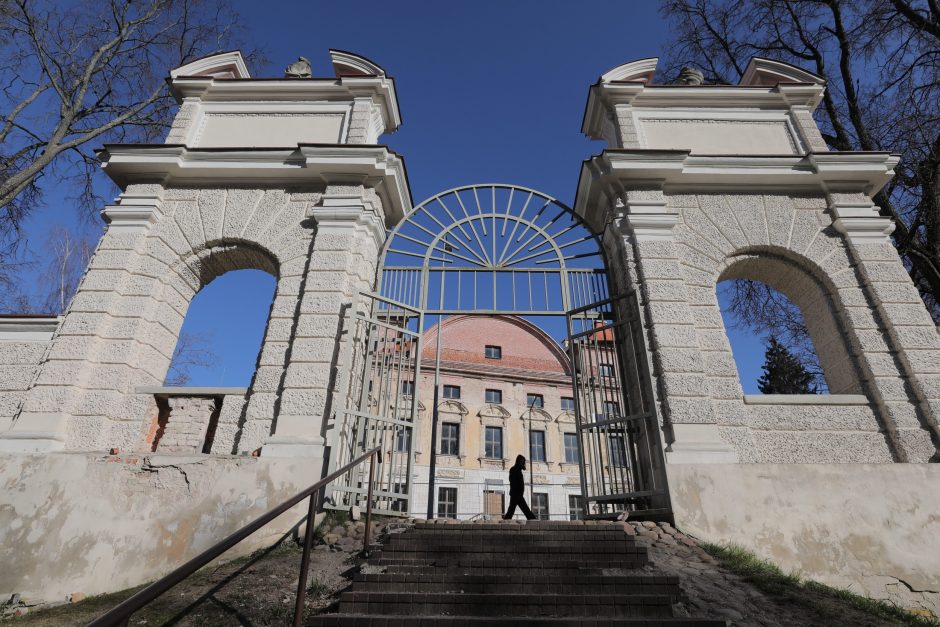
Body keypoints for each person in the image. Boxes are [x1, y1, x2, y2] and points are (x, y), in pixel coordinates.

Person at [502, 454, 536, 520]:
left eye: (523, 462)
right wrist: (517, 493)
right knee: (525, 509)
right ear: (518, 461)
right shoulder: (514, 469)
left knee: (512, 510)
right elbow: (513, 482)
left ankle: (506, 520)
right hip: (516, 494)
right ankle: (533, 520)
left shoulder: (517, 469)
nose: (523, 463)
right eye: (522, 461)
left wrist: (522, 467)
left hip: (517, 494)